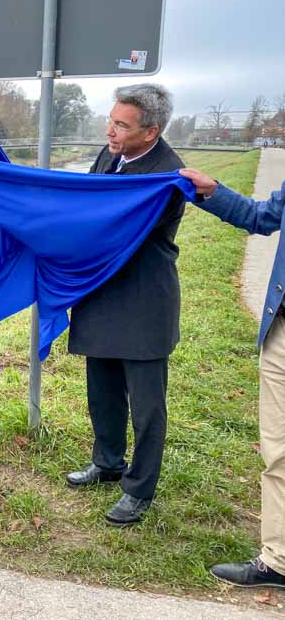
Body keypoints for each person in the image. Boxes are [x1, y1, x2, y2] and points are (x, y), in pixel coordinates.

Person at [66, 84, 185, 526]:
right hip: (102, 294)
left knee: (147, 405)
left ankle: (139, 490)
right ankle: (108, 462)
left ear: (150, 132)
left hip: (142, 302)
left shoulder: (168, 174)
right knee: (103, 390)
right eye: (110, 120)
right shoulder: (108, 156)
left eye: (121, 125)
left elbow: (112, 228)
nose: (109, 131)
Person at [180, 165, 285, 587]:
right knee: (278, 450)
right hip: (281, 332)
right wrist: (212, 191)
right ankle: (278, 560)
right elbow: (263, 217)